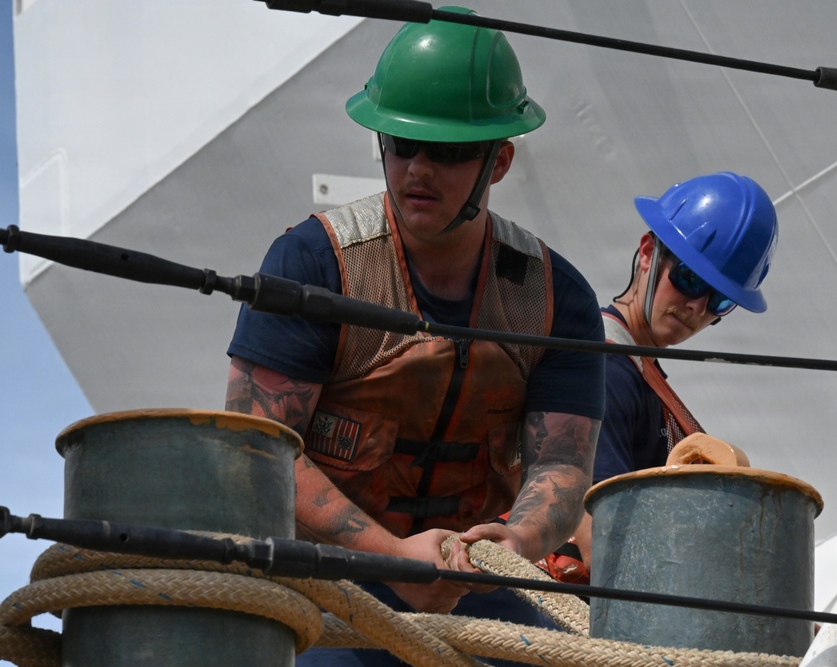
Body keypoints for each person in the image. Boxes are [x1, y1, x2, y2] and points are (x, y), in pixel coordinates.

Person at [224, 7, 605, 665]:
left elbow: (562, 464)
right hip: (322, 585)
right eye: (401, 144)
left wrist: (516, 541)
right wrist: (392, 556)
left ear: (501, 159)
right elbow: (256, 451)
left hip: (478, 588)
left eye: (450, 150)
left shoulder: (555, 301)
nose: (418, 169)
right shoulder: (314, 265)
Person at [560, 171, 779, 583]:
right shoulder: (605, 370)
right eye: (690, 279)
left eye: (720, 299)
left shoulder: (638, 371)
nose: (696, 306)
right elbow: (605, 547)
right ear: (647, 253)